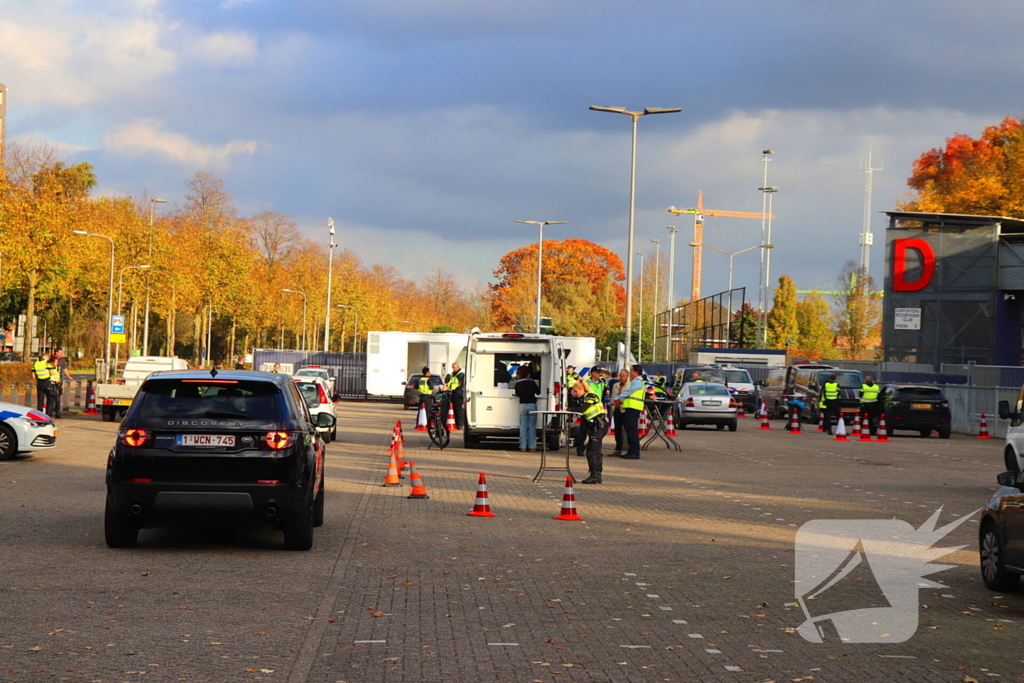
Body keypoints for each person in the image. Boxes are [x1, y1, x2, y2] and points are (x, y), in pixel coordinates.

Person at [573, 375, 608, 484]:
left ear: (581, 389)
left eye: (575, 391)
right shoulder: (583, 398)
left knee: (592, 451)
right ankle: (597, 475)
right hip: (594, 426)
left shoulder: (591, 396)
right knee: (595, 450)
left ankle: (595, 475)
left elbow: (584, 409)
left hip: (599, 426)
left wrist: (568, 409)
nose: (574, 393)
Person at [613, 364, 646, 459]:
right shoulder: (637, 381)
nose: (630, 373)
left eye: (631, 371)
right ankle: (631, 451)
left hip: (633, 408)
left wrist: (617, 398)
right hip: (631, 408)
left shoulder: (637, 382)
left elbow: (629, 392)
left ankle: (634, 453)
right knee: (630, 431)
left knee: (631, 431)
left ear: (635, 371)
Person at [575, 367, 606, 458]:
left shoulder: (602, 382)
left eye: (600, 372)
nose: (600, 374)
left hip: (596, 408)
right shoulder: (586, 381)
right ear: (592, 373)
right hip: (587, 407)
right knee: (583, 430)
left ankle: (595, 449)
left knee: (596, 431)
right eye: (597, 372)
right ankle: (580, 449)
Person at [514, 366, 540, 452]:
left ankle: (523, 447)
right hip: (532, 405)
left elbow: (517, 394)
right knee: (532, 427)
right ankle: (532, 447)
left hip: (523, 405)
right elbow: (538, 392)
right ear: (528, 374)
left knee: (523, 427)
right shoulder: (532, 383)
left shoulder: (517, 384)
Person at [609, 369, 629, 456]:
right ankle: (618, 449)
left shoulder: (629, 386)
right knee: (617, 430)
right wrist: (612, 408)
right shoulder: (615, 385)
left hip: (625, 410)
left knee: (628, 430)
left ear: (627, 376)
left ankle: (629, 449)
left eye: (622, 376)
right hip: (616, 410)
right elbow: (613, 396)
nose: (620, 378)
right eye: (619, 376)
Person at [447, 362, 466, 430]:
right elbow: (450, 385)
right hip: (453, 394)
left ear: (458, 367)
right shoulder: (454, 375)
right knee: (454, 410)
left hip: (458, 395)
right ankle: (456, 424)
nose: (453, 369)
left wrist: (457, 391)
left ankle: (460, 424)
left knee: (458, 410)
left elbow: (462, 386)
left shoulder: (461, 375)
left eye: (454, 367)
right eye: (452, 367)